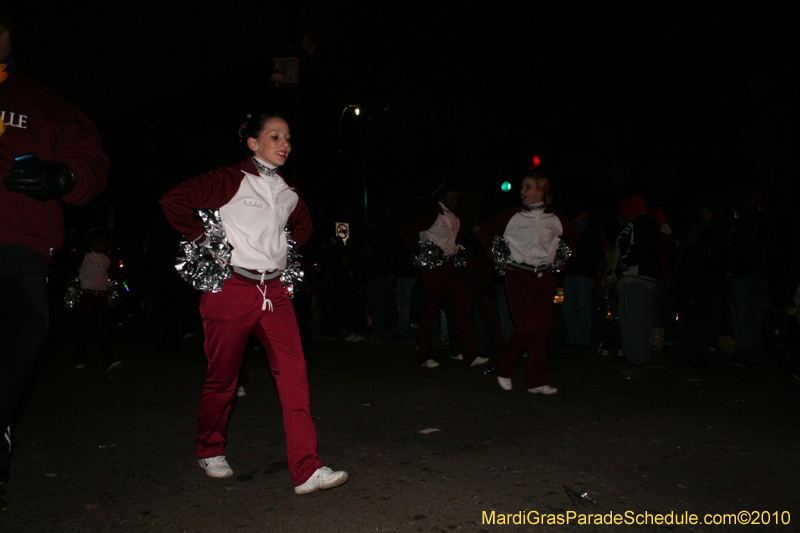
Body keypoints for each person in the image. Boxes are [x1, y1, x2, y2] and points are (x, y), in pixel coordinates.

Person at [159, 112, 347, 495]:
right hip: (232, 290)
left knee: (295, 374)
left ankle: (307, 467)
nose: (284, 144)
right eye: (275, 136)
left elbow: (304, 228)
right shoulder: (228, 180)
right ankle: (209, 447)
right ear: (253, 143)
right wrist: (202, 238)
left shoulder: (289, 191)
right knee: (222, 378)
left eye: (288, 138)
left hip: (275, 292)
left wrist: (282, 248)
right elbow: (172, 200)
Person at [0, 10, 109, 510]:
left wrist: (63, 178)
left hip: (15, 251)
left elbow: (92, 163)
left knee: (23, 324)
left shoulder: (42, 103)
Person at [478, 173, 577, 394]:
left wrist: (559, 259)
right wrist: (497, 257)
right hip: (518, 276)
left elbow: (571, 239)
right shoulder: (511, 215)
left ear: (542, 192)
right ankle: (503, 368)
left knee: (541, 330)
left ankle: (537, 381)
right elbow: (484, 232)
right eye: (522, 187)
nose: (522, 191)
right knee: (527, 326)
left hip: (545, 278)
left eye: (528, 187)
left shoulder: (556, 219)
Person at [400, 185, 489, 369]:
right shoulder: (433, 215)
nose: (455, 202)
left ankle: (467, 354)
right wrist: (422, 252)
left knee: (460, 309)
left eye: (456, 198)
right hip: (433, 267)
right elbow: (407, 232)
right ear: (441, 198)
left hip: (449, 267)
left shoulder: (454, 219)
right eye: (451, 198)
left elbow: (452, 244)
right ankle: (425, 356)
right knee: (430, 311)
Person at [613, 194, 662, 365]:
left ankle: (632, 354)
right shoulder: (652, 225)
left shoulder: (635, 224)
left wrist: (624, 265)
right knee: (643, 319)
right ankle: (641, 354)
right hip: (648, 278)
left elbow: (633, 246)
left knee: (631, 318)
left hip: (633, 277)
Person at [73, 228, 122, 372]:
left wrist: (113, 285)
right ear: (92, 243)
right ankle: (80, 359)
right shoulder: (84, 257)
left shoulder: (107, 259)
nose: (102, 245)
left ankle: (108, 361)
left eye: (104, 243)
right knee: (84, 329)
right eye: (99, 242)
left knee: (105, 330)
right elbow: (68, 271)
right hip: (86, 296)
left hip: (101, 297)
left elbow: (115, 274)